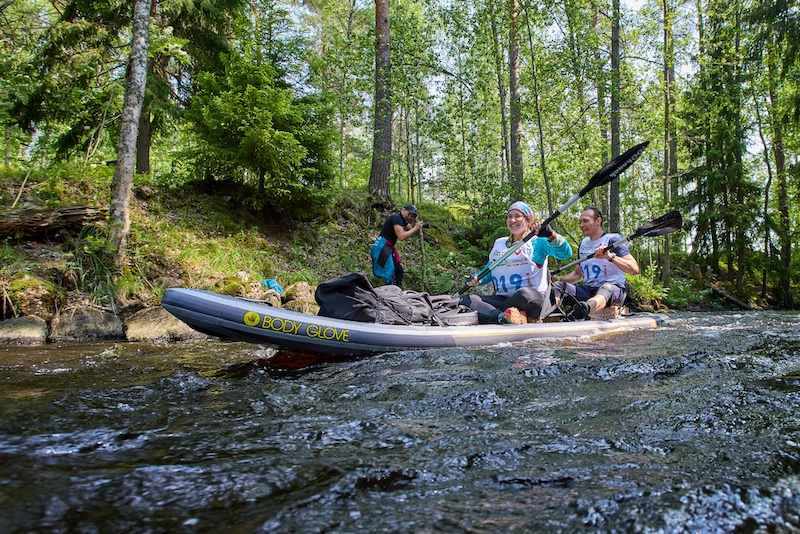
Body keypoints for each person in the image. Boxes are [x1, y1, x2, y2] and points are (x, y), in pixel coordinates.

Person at [460, 201, 573, 324]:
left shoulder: (537, 242)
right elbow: (490, 270)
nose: (512, 220)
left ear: (528, 221)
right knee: (465, 299)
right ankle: (502, 316)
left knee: (523, 293)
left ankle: (496, 313)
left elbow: (565, 253)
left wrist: (552, 235)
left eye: (518, 216)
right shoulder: (499, 244)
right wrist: (478, 278)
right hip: (503, 300)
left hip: (532, 299)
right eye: (509, 216)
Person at [552, 206, 640, 320]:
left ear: (598, 221)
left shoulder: (613, 240)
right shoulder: (583, 244)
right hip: (588, 290)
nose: (581, 225)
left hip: (613, 291)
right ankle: (553, 314)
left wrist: (610, 256)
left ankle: (585, 310)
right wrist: (558, 279)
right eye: (580, 222)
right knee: (558, 287)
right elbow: (577, 275)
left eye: (585, 221)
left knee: (606, 287)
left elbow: (634, 269)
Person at [371, 204, 424, 288]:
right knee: (390, 271)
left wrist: (414, 220)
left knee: (399, 271)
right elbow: (401, 236)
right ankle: (390, 291)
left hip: (387, 247)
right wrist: (416, 228)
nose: (409, 216)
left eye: (411, 215)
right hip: (382, 246)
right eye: (409, 214)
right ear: (403, 210)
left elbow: (410, 229)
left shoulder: (402, 220)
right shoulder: (396, 218)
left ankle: (396, 290)